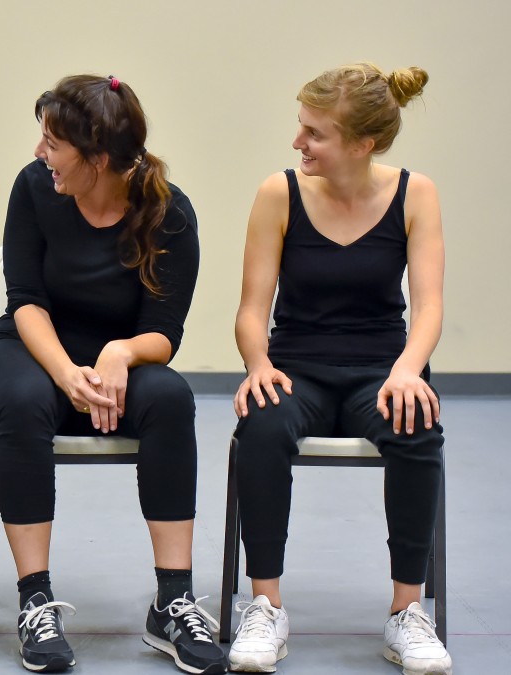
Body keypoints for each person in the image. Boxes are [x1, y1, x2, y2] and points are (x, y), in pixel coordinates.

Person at [0, 74, 228, 674]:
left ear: (99, 159)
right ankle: (35, 598)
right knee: (25, 401)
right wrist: (67, 373)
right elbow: (26, 299)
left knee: (170, 399)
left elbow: (165, 332)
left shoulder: (169, 211)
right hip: (32, 346)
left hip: (123, 355)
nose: (40, 153)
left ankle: (172, 601)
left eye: (53, 144)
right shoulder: (35, 187)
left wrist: (118, 354)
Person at [228, 63, 449, 675]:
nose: (298, 142)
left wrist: (408, 370)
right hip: (296, 366)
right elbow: (251, 309)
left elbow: (429, 305)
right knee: (263, 428)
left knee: (415, 427)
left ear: (363, 144)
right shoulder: (280, 192)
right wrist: (258, 364)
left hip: (382, 367)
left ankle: (408, 612)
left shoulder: (415, 193)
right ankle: (266, 605)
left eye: (314, 133)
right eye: (301, 127)